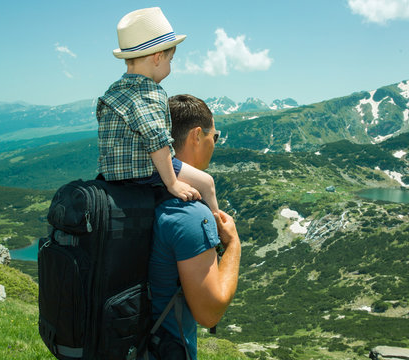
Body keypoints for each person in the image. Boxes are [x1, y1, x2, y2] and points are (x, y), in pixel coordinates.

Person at [96, 7, 219, 212]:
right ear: (157, 57)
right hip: (144, 171)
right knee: (207, 183)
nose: (170, 66)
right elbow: (156, 139)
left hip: (112, 176)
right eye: (170, 60)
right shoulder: (149, 92)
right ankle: (218, 232)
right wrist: (172, 183)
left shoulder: (113, 91)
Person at [148, 94, 241, 359]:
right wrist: (233, 245)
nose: (215, 143)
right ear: (196, 136)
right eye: (216, 136)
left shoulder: (140, 186)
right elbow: (210, 313)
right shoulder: (188, 212)